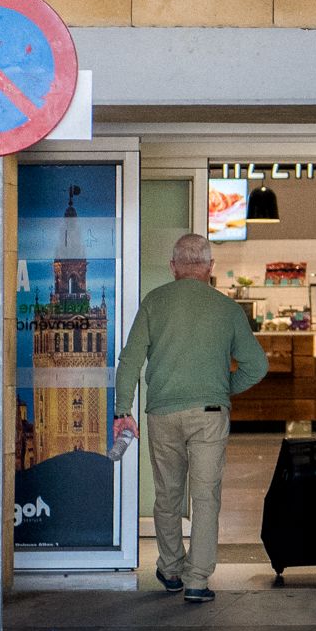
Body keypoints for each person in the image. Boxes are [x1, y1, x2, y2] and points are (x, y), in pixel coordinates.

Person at [111, 232, 270, 604]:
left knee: (167, 496)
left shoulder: (155, 302)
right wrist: (223, 387)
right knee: (205, 497)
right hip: (209, 415)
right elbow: (258, 365)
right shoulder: (227, 308)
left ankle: (170, 570)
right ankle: (197, 580)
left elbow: (129, 362)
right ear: (210, 268)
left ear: (173, 267)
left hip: (162, 413)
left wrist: (123, 410)